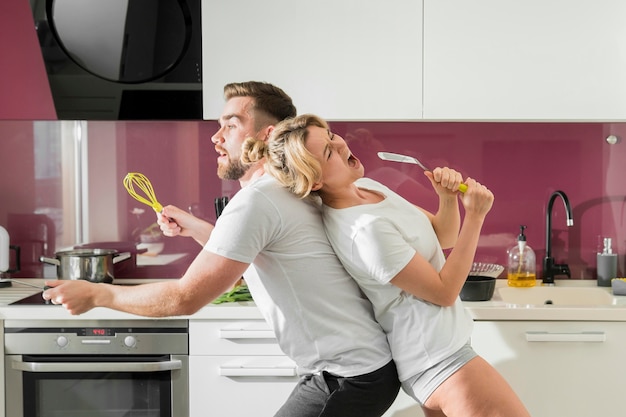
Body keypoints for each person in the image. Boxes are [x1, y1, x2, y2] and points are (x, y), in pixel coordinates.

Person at [42, 82, 400, 417]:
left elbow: (185, 298)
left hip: (347, 374)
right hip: (360, 369)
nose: (215, 137)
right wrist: (200, 230)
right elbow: (245, 269)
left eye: (230, 125)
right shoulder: (283, 189)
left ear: (269, 134)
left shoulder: (257, 201)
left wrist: (97, 294)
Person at [250, 113, 531, 417]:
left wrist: (446, 198)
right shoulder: (363, 230)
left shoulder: (369, 189)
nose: (342, 145)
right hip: (438, 359)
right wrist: (476, 216)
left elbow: (443, 235)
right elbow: (444, 291)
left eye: (331, 136)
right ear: (315, 179)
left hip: (440, 352)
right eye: (329, 152)